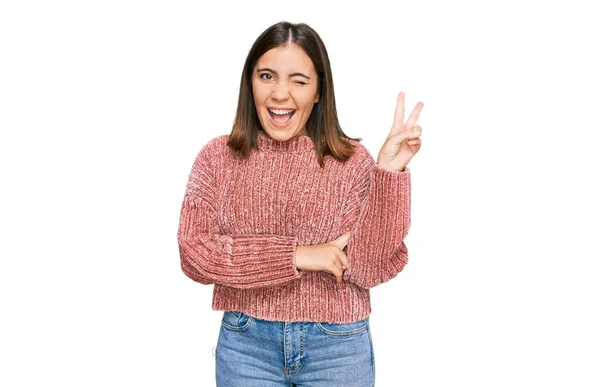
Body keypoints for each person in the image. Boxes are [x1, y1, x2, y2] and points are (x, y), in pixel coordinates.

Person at [177, 21, 423, 387]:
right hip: (246, 345)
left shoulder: (353, 162)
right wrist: (298, 255)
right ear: (250, 83)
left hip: (337, 347)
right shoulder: (217, 158)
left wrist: (388, 173)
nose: (280, 94)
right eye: (267, 76)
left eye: (299, 80)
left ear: (319, 91)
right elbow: (195, 255)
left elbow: (368, 270)